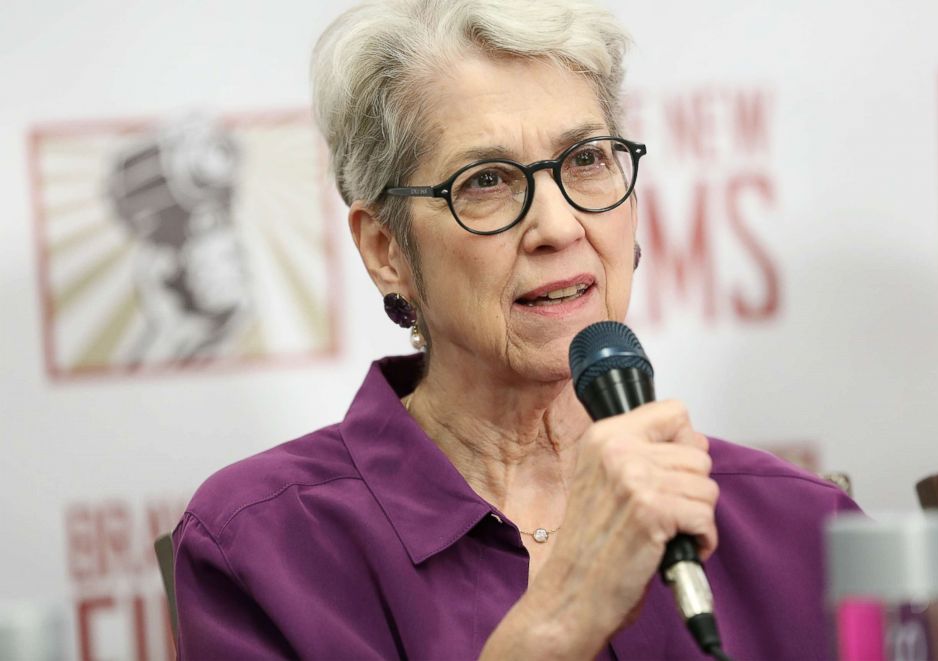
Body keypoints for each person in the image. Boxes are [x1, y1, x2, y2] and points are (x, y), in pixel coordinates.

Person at [172, 0, 859, 658]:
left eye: (587, 159)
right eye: (487, 180)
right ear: (387, 249)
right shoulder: (262, 547)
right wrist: (559, 620)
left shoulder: (801, 525)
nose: (560, 227)